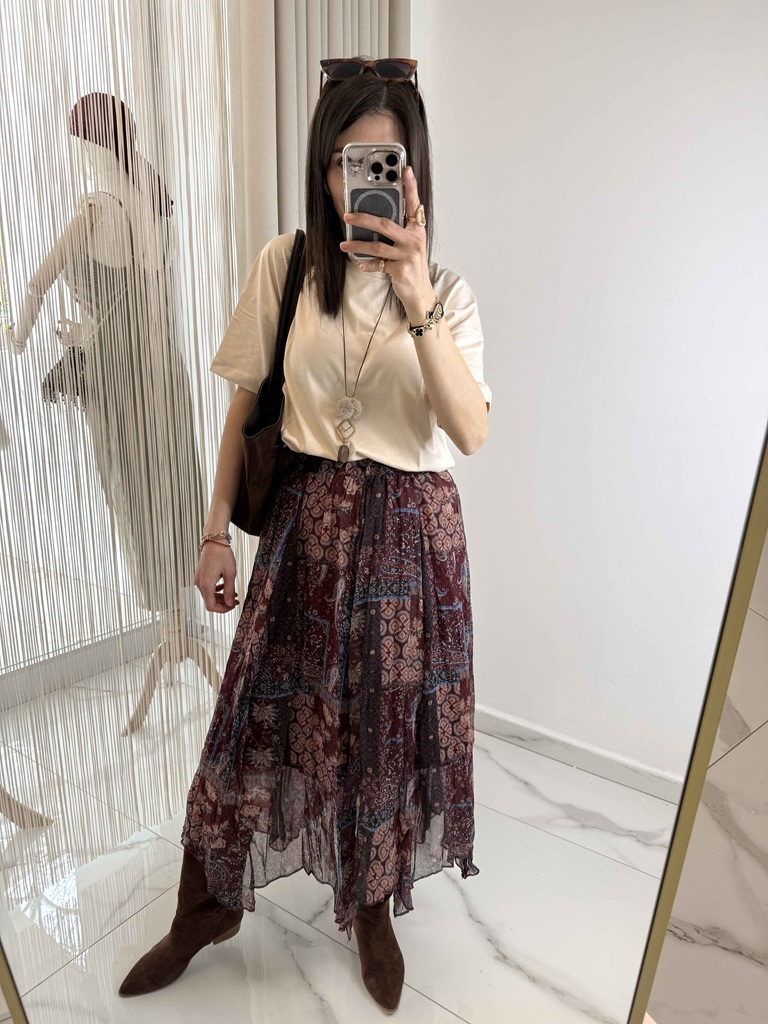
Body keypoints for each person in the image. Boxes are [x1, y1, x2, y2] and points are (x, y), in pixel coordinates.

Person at [119, 57, 491, 1014]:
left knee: (378, 737)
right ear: (322, 170)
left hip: (410, 544)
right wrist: (213, 534)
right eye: (342, 162)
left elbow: (469, 431)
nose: (358, 183)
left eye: (382, 162)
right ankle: (204, 911)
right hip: (304, 531)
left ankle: (371, 910)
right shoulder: (285, 266)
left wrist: (415, 294)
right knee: (248, 721)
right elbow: (245, 401)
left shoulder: (448, 293)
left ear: (413, 172)